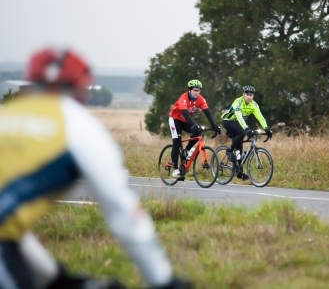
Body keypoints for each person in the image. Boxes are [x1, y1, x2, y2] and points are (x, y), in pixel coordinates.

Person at [0, 48, 192, 289]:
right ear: (81, 90)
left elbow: (7, 222)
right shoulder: (78, 125)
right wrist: (163, 279)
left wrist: (53, 276)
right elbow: (123, 212)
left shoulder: (5, 116)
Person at [168, 80, 221, 178]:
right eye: (195, 90)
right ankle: (175, 169)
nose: (197, 92)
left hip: (185, 121)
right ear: (190, 90)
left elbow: (207, 113)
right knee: (177, 142)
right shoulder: (183, 98)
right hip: (175, 120)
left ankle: (186, 151)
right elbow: (185, 113)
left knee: (197, 133)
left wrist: (214, 125)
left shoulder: (200, 99)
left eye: (199, 90)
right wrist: (193, 124)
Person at [221, 85, 272, 179]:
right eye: (247, 94)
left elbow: (259, 117)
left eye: (251, 95)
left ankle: (239, 172)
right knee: (242, 133)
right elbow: (239, 116)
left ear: (253, 96)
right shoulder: (238, 102)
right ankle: (229, 151)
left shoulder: (254, 105)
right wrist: (246, 128)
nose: (249, 96)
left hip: (238, 123)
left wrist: (266, 128)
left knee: (239, 147)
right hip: (228, 121)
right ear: (243, 94)